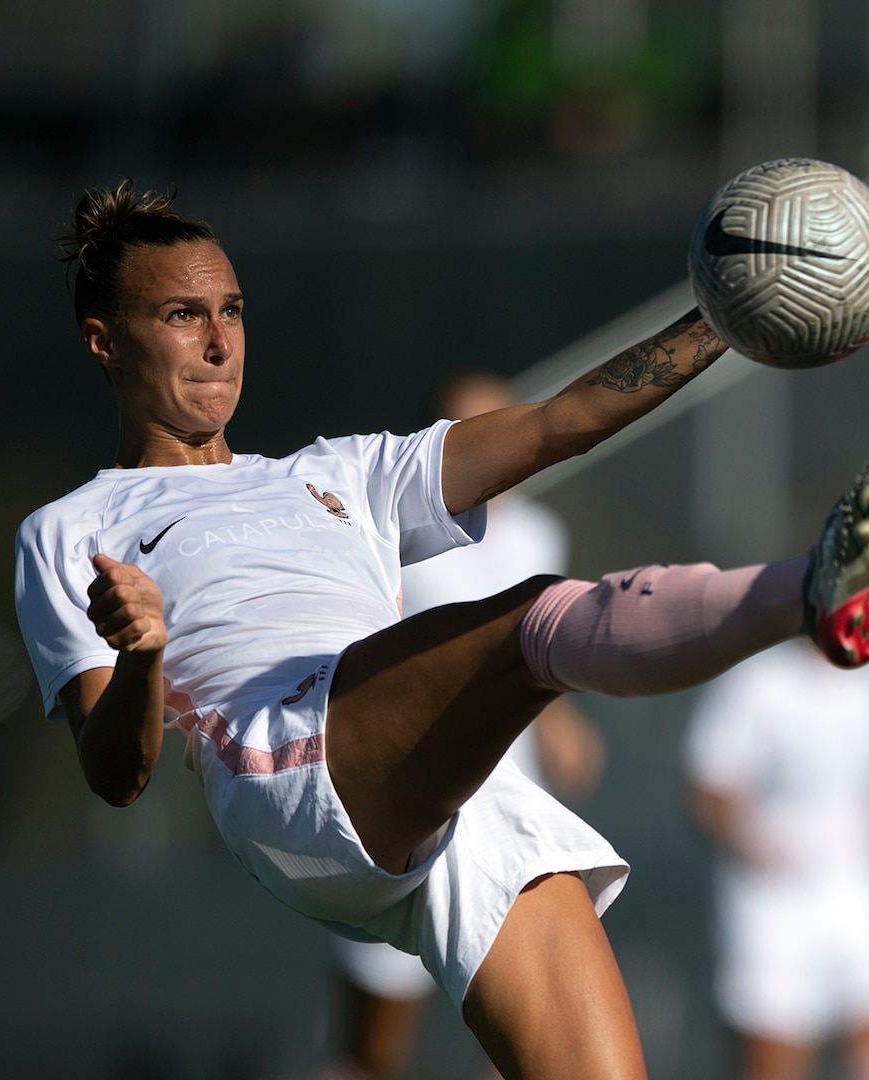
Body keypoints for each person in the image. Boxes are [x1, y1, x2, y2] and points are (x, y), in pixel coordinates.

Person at [13, 181, 869, 1080]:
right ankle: (807, 594)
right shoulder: (70, 529)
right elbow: (116, 774)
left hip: (456, 798)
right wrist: (143, 657)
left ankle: (813, 592)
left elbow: (560, 424)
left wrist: (729, 312)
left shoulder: (340, 469)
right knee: (529, 620)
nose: (220, 342)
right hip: (284, 762)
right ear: (104, 342)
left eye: (233, 310)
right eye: (183, 315)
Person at [325, 371, 606, 1080]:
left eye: (501, 418)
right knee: (374, 1051)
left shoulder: (544, 532)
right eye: (469, 425)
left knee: (523, 1050)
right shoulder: (387, 533)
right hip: (402, 812)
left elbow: (529, 644)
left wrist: (562, 722)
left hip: (508, 815)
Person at [685, 638, 869, 1080]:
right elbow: (709, 790)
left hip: (864, 895)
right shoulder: (754, 682)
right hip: (772, 905)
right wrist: (756, 849)